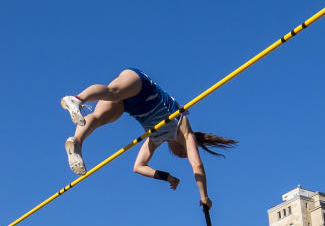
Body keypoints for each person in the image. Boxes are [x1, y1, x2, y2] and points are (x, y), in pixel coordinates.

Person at [58, 68, 237, 207]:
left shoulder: (156, 138)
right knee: (113, 91)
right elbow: (196, 164)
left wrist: (166, 177)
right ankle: (77, 99)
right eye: (184, 155)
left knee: (99, 118)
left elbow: (138, 167)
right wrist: (204, 196)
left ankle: (77, 142)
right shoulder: (183, 127)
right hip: (141, 86)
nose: (181, 156)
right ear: (185, 149)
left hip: (129, 107)